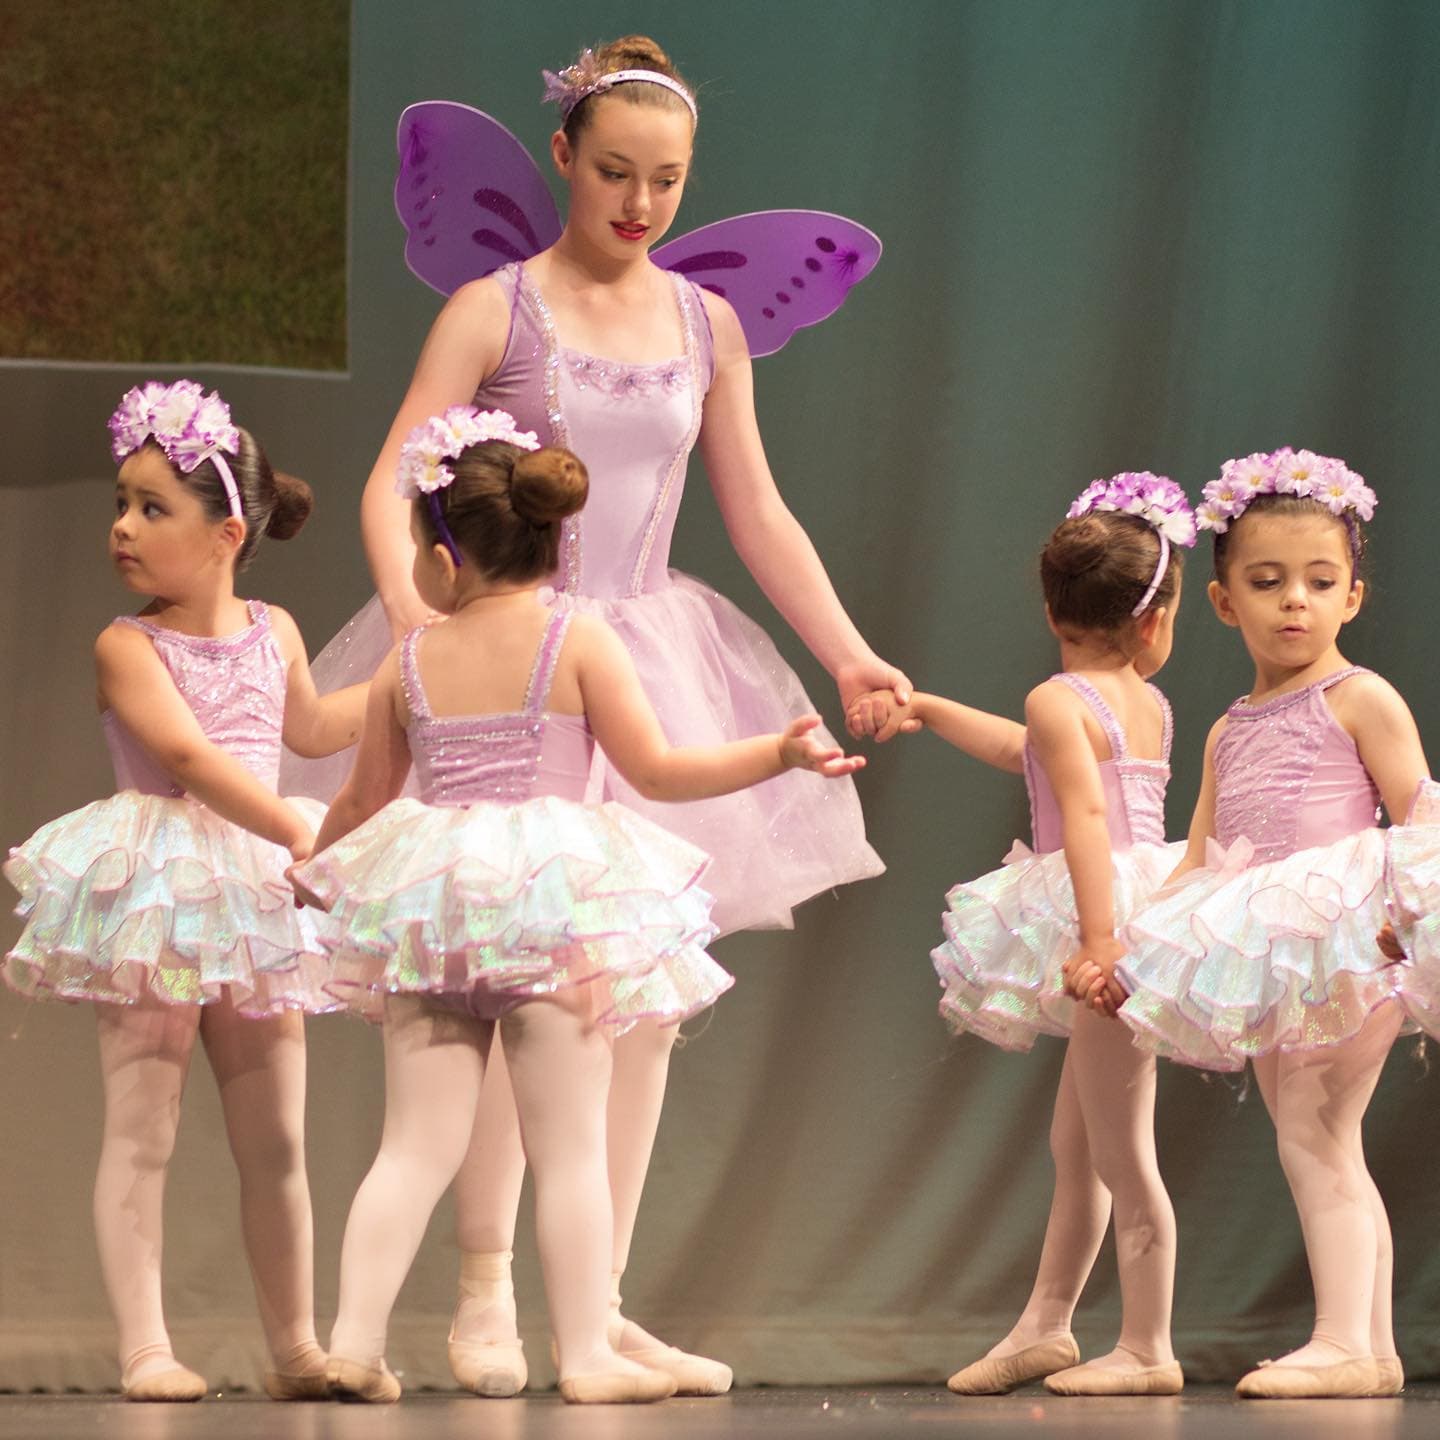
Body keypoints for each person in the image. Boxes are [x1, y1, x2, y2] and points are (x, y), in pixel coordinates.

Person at [286, 35, 907, 1394]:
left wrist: (851, 655)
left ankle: (600, 1305)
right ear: (562, 155)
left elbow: (755, 507)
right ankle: (480, 1299)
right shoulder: (497, 308)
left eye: (667, 182)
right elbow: (401, 476)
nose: (638, 203)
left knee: (639, 1006)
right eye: (615, 172)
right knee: (510, 990)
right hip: (515, 660)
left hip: (647, 650)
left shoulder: (706, 322)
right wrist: (419, 622)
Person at [291, 407, 862, 1403]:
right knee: (568, 1151)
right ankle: (589, 1354)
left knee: (413, 1146)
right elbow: (660, 769)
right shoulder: (580, 641)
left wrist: (312, 874)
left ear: (443, 556)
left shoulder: (410, 658)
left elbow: (361, 798)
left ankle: (354, 1344)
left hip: (439, 904)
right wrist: (777, 750)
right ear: (552, 540)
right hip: (553, 902)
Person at [3, 381, 367, 1401]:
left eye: (151, 507)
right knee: (144, 1128)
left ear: (226, 533)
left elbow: (307, 730)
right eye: (121, 503)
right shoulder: (128, 645)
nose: (122, 526)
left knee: (278, 1140)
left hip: (250, 896)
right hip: (162, 884)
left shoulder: (277, 627)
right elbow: (189, 757)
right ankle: (146, 1350)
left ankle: (296, 1349)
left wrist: (403, 681)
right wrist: (298, 827)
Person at [850, 473, 1193, 1396]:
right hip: (1136, 906)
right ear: (1155, 619)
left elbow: (1083, 815)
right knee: (1078, 1147)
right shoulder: (1142, 701)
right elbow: (1030, 756)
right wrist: (928, 709)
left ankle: (1150, 1347)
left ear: (1051, 606)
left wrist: (1098, 939)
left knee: (1123, 1153)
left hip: (1110, 921)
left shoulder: (1061, 697)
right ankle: (1046, 1324)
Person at [1107, 449, 1426, 1398]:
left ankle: (1340, 1341)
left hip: (1348, 936)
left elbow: (1423, 818)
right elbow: (1201, 854)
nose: (1295, 601)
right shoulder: (1228, 725)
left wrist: (1404, 921)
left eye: (1320, 583)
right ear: (1222, 602)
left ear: (1353, 599)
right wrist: (1137, 947)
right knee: (1328, 1136)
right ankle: (1369, 1346)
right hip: (1266, 945)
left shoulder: (1360, 697)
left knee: (1314, 1131)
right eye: (1267, 580)